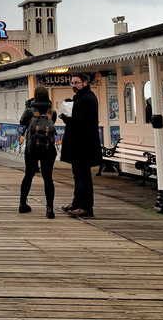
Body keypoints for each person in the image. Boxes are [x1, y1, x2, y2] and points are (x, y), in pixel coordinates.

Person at [59, 73, 100, 218]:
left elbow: (82, 121)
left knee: (83, 176)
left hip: (84, 144)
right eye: (72, 83)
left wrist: (66, 118)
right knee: (77, 175)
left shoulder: (88, 98)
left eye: (76, 82)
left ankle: (86, 207)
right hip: (79, 144)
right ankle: (77, 203)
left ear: (85, 82)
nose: (74, 85)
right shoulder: (81, 98)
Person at [18, 86, 57, 218]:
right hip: (48, 149)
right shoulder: (52, 113)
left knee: (28, 175)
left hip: (32, 149)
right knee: (48, 178)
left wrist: (27, 106)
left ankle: (23, 204)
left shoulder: (30, 111)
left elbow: (22, 122)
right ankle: (50, 209)